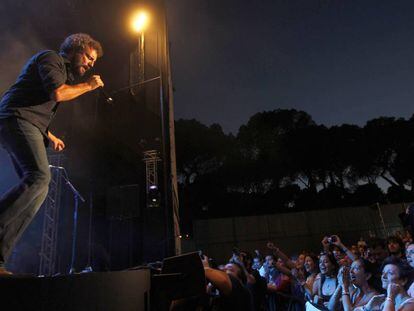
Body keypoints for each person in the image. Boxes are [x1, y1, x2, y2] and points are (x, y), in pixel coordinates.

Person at [0, 33, 104, 274]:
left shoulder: (62, 72)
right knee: (39, 177)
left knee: (40, 189)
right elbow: (57, 93)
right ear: (75, 50)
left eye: (93, 62)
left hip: (26, 121)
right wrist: (89, 86)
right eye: (88, 57)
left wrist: (49, 135)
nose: (90, 64)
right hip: (14, 118)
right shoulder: (51, 59)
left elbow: (35, 105)